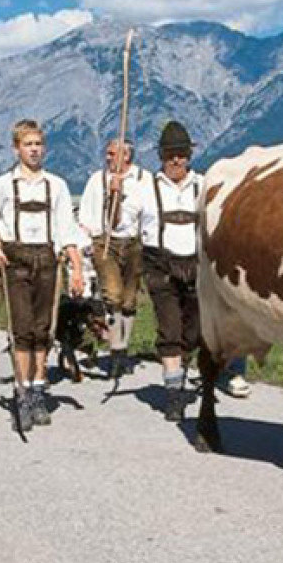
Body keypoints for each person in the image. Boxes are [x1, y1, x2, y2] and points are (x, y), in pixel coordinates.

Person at [0, 119, 85, 432]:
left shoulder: (57, 185)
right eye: (28, 144)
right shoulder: (2, 185)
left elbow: (67, 231)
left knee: (42, 329)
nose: (34, 150)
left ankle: (39, 388)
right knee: (22, 328)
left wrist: (76, 267)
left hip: (48, 260)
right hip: (16, 259)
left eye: (38, 144)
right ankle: (22, 392)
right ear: (16, 148)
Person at [137, 121, 211, 421]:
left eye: (181, 153)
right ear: (161, 156)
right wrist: (115, 199)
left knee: (193, 333)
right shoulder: (145, 189)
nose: (176, 160)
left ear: (189, 155)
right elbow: (121, 225)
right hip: (160, 266)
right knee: (170, 329)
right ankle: (174, 394)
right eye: (170, 154)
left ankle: (179, 372)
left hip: (196, 265)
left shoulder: (204, 185)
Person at [77, 139, 149, 380]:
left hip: (134, 241)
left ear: (126, 156)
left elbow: (151, 212)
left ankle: (123, 346)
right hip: (104, 241)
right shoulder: (97, 180)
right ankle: (116, 350)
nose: (108, 158)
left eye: (112, 154)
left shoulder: (143, 179)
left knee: (129, 300)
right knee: (113, 294)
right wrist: (85, 243)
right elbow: (85, 214)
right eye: (107, 154)